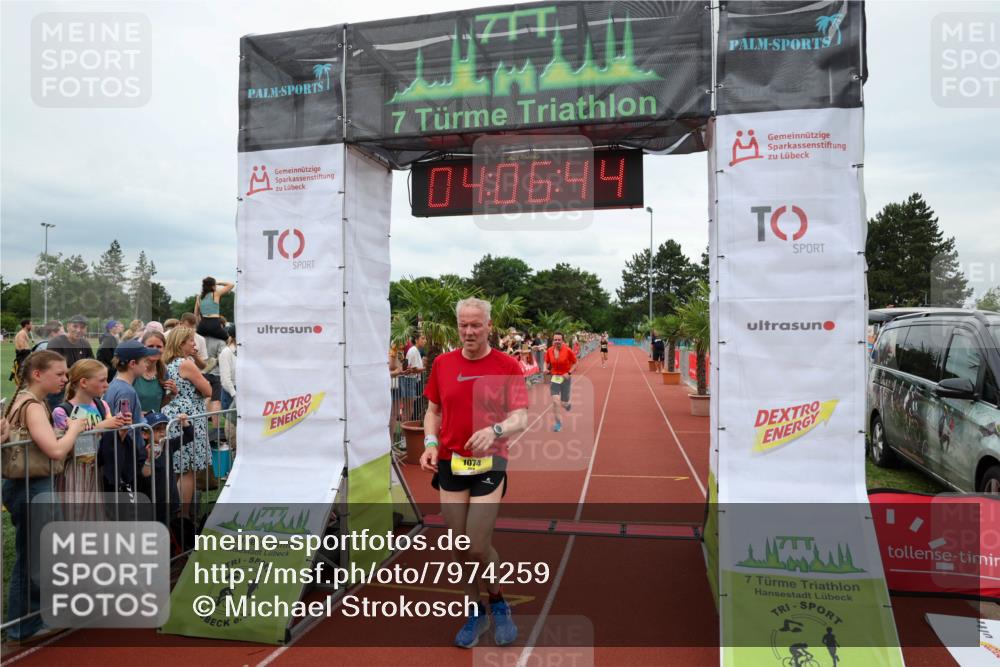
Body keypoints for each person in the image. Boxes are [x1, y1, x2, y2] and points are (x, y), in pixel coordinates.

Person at [419, 297, 528, 649]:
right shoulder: (442, 364)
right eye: (463, 325)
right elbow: (432, 410)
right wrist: (431, 443)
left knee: (477, 543)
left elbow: (520, 418)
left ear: (488, 327)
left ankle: (497, 601)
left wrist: (495, 431)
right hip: (452, 462)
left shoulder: (507, 365)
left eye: (475, 325)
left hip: (489, 461)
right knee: (459, 544)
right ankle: (475, 608)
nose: (469, 331)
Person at [2, 351, 88, 643]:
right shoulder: (33, 405)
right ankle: (23, 627)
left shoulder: (24, 399)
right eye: (60, 374)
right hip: (32, 486)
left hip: (31, 484)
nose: (65, 379)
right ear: (38, 374)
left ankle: (33, 620)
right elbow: (54, 450)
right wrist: (74, 429)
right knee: (31, 559)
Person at [52, 359, 127, 520]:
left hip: (98, 469)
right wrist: (101, 425)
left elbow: (111, 440)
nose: (106, 385)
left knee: (96, 517)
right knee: (72, 518)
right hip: (73, 472)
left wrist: (123, 427)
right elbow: (67, 447)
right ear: (84, 382)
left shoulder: (102, 406)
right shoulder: (62, 411)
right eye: (102, 380)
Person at [162, 326, 212, 518]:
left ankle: (174, 514)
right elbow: (207, 390)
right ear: (181, 343)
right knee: (186, 470)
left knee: (176, 468)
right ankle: (182, 516)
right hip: (188, 417)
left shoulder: (168, 363)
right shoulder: (185, 363)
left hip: (173, 414)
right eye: (191, 340)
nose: (194, 343)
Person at [101, 341, 158, 499]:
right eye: (144, 361)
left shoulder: (115, 385)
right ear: (133, 363)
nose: (147, 365)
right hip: (128, 456)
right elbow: (124, 428)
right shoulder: (126, 391)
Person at [134, 331, 177, 415]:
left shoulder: (163, 372)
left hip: (153, 425)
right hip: (133, 424)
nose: (155, 349)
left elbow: (158, 405)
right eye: (150, 346)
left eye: (159, 346)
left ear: (164, 348)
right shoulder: (133, 370)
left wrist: (172, 394)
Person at [544, 332, 577, 432]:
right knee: (555, 401)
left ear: (562, 340)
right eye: (555, 340)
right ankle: (558, 423)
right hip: (555, 378)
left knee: (563, 403)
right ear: (553, 340)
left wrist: (569, 373)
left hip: (565, 378)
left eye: (559, 340)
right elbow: (546, 361)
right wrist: (545, 368)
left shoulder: (568, 350)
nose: (557, 342)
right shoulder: (549, 350)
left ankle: (567, 405)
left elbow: (576, 363)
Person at [194, 276, 234, 342]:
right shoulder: (215, 294)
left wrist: (199, 325)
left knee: (197, 342)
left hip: (202, 324)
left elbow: (196, 314)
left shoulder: (199, 297)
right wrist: (218, 283)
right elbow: (231, 285)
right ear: (213, 286)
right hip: (214, 323)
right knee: (229, 340)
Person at [401, 334, 427, 421]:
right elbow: (414, 369)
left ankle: (404, 431)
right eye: (422, 338)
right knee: (409, 408)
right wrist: (426, 368)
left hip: (411, 380)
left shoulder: (415, 350)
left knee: (409, 408)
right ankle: (405, 432)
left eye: (425, 339)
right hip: (409, 380)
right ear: (416, 340)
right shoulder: (414, 350)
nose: (425, 341)